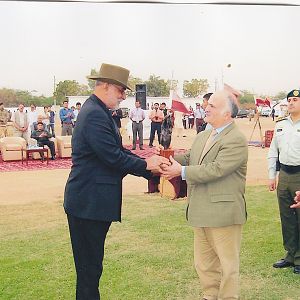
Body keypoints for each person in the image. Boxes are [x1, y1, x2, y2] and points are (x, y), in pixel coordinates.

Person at [63, 63, 170, 300]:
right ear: (106, 86)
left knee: (92, 269)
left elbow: (117, 152)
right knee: (89, 271)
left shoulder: (98, 112)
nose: (124, 96)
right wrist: (147, 166)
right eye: (121, 90)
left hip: (91, 203)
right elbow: (113, 157)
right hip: (87, 203)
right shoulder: (93, 114)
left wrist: (150, 168)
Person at [161, 89, 248, 300]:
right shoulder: (204, 135)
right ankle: (210, 296)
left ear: (227, 114)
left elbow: (217, 169)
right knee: (204, 263)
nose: (206, 108)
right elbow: (191, 157)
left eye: (212, 106)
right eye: (207, 105)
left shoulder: (236, 139)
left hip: (224, 213)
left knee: (227, 265)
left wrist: (180, 172)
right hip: (201, 210)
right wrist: (166, 161)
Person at [267, 89, 300, 275]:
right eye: (289, 100)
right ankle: (290, 254)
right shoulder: (281, 124)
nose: (291, 103)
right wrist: (272, 175)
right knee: (286, 216)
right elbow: (273, 151)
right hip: (285, 175)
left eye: (295, 99)